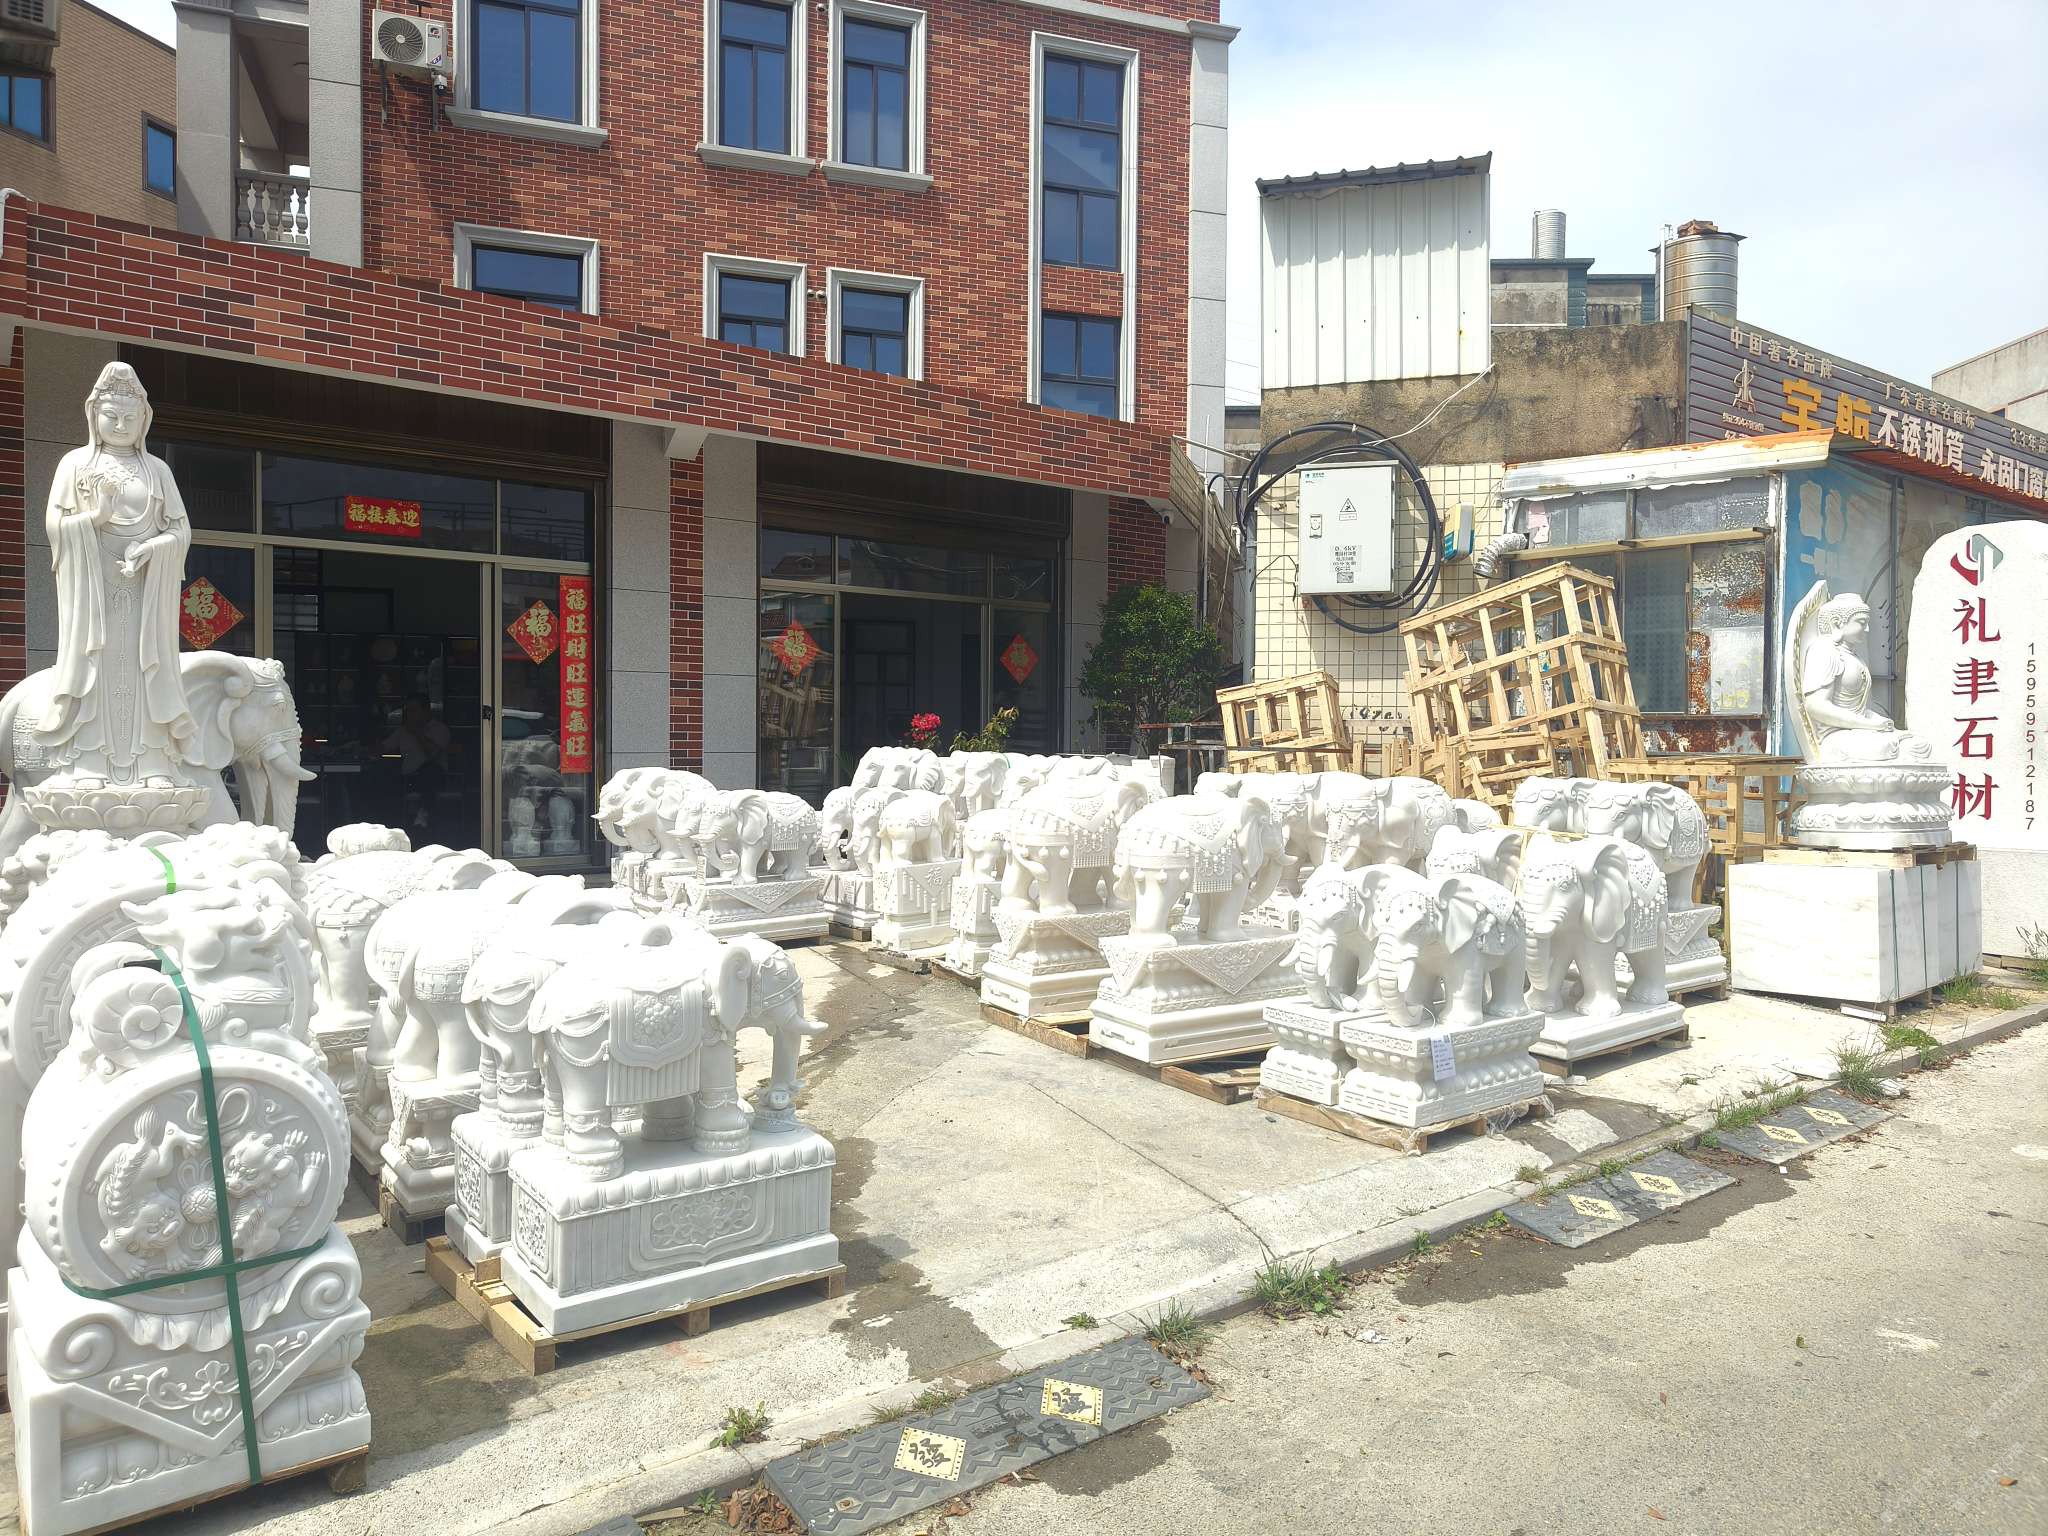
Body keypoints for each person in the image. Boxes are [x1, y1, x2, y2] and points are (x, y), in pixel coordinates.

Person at [41, 363, 197, 784]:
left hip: (145, 591)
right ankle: (89, 763)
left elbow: (180, 530)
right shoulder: (74, 464)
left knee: (148, 669)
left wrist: (152, 547)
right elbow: (55, 526)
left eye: (131, 416)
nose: (122, 425)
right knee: (94, 667)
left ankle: (153, 764)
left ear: (144, 419)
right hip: (94, 589)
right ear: (94, 415)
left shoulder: (158, 470)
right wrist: (97, 516)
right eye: (112, 415)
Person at [383, 693, 451, 834]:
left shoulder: (440, 729)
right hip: (408, 778)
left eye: (414, 710)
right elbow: (384, 747)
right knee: (383, 778)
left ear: (426, 710)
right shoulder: (403, 731)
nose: (409, 714)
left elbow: (432, 754)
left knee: (429, 771)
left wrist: (417, 732)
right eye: (407, 711)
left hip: (434, 777)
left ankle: (425, 815)